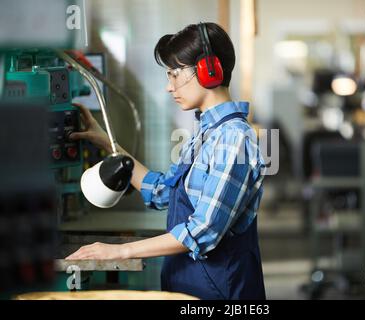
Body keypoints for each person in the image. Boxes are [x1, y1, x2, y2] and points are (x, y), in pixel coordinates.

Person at [66, 22, 266, 300]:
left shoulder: (234, 139)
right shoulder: (207, 133)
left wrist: (119, 250)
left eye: (174, 74)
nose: (168, 86)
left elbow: (203, 230)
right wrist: (107, 142)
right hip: (190, 283)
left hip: (223, 290)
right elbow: (164, 192)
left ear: (209, 70)